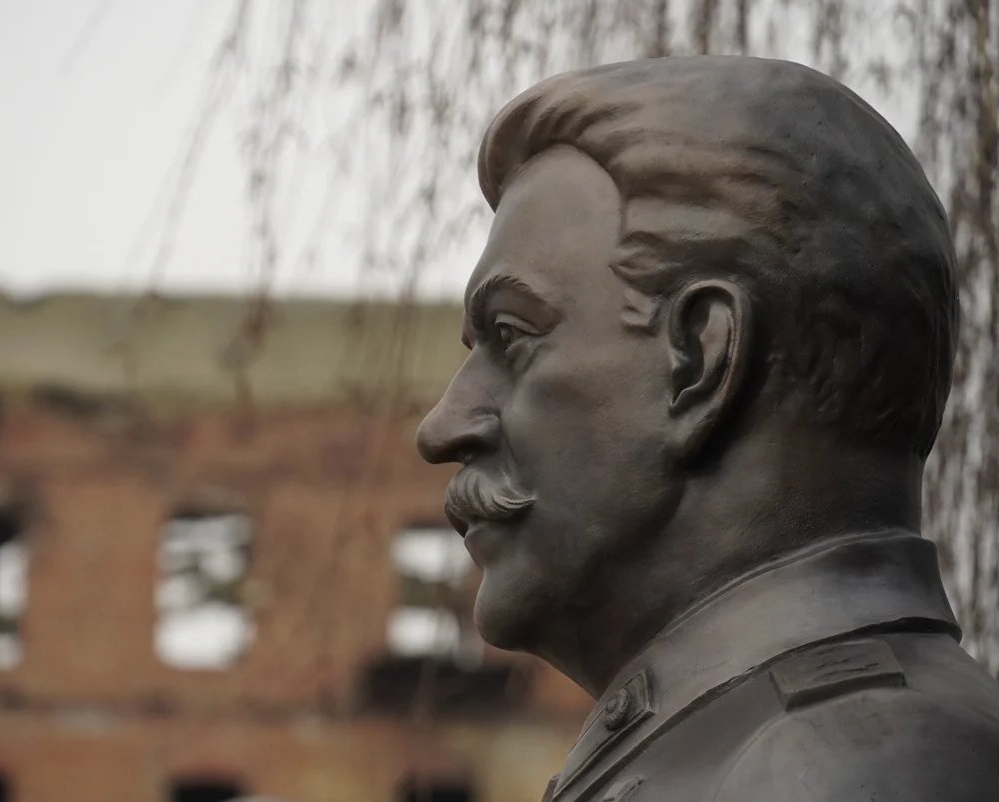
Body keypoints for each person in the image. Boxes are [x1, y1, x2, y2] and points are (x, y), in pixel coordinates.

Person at [416, 56, 999, 801]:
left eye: (513, 335)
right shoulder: (726, 745)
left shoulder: (862, 763)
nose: (442, 428)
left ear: (701, 359)